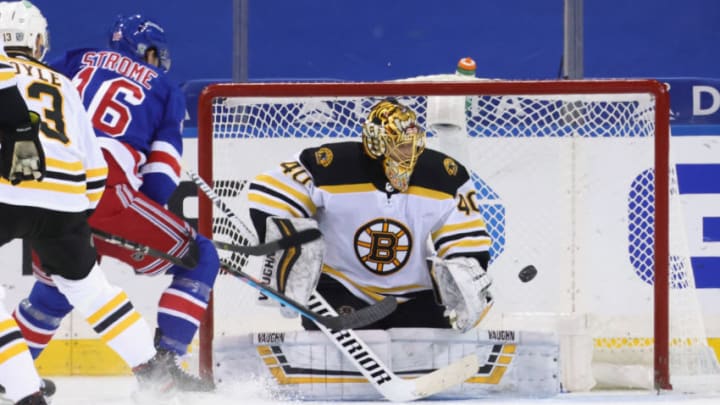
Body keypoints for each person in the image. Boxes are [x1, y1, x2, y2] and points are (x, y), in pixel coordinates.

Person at [11, 12, 219, 391]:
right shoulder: (165, 88)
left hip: (51, 190)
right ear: (148, 51)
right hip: (107, 189)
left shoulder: (75, 60)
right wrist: (145, 217)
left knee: (58, 288)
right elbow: (160, 174)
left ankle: (12, 378)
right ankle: (165, 369)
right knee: (200, 256)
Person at [247, 98, 494, 333]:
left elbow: (466, 236)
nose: (410, 153)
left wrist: (466, 272)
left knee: (435, 350)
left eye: (413, 143)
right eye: (401, 145)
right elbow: (270, 190)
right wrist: (286, 251)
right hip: (342, 288)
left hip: (416, 295)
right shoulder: (331, 166)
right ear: (377, 143)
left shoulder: (443, 175)